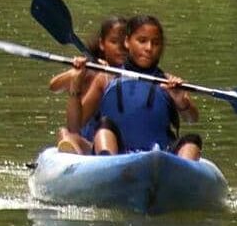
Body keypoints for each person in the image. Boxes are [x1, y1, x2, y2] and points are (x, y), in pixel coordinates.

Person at [75, 16, 201, 160]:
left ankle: (181, 175)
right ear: (127, 42)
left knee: (192, 141)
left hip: (160, 155)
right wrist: (76, 84)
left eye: (156, 43)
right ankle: (107, 163)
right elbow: (78, 123)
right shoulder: (106, 78)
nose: (149, 48)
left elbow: (192, 118)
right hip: (118, 154)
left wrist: (180, 100)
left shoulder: (168, 82)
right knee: (104, 127)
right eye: (142, 41)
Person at [50, 17, 128, 154]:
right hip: (90, 140)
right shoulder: (94, 71)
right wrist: (81, 72)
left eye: (124, 43)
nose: (120, 48)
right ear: (102, 44)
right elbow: (54, 85)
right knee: (65, 134)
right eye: (114, 42)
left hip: (121, 140)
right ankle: (74, 155)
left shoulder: (139, 75)